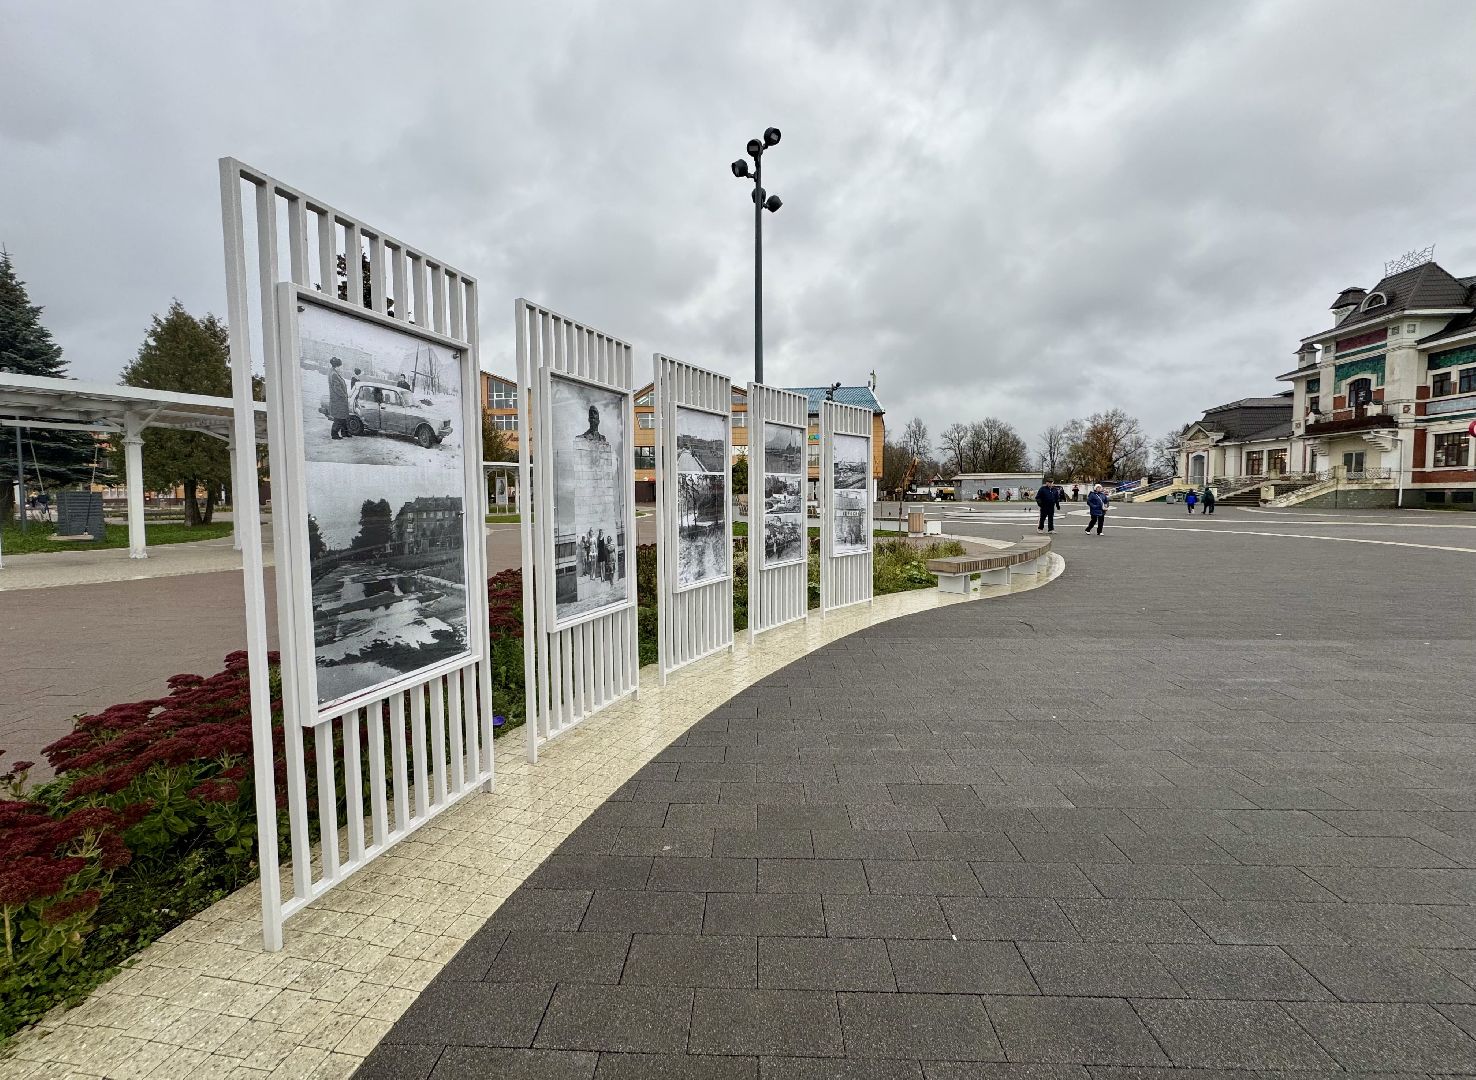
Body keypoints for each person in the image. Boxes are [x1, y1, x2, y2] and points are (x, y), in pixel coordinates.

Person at [327, 357, 352, 439]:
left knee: (343, 417)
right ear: (337, 366)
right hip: (338, 400)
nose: (341, 367)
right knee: (338, 418)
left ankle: (345, 433)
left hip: (339, 400)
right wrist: (344, 395)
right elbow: (337, 388)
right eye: (340, 366)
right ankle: (334, 434)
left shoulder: (334, 372)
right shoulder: (334, 374)